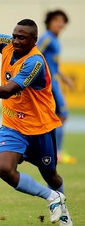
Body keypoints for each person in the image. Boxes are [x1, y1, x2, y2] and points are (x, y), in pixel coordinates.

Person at [0, 19, 73, 225]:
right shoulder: (7, 43)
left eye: (22, 38)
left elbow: (8, 91)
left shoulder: (34, 62)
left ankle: (64, 212)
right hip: (13, 126)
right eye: (15, 35)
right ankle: (52, 197)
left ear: (34, 41)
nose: (16, 41)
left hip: (39, 128)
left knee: (52, 176)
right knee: (4, 168)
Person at [37, 10, 76, 164]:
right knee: (61, 116)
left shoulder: (55, 40)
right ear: (49, 22)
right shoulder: (46, 38)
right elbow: (35, 54)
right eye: (56, 20)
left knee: (53, 118)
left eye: (62, 21)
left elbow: (53, 65)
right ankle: (57, 152)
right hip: (49, 85)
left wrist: (65, 78)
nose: (60, 24)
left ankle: (51, 151)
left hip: (56, 82)